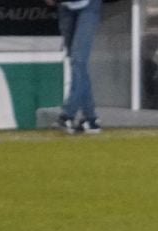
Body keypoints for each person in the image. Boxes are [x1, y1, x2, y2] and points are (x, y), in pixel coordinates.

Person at [48, 0, 104, 134]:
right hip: (65, 6)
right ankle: (91, 119)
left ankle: (68, 114)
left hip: (88, 5)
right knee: (77, 63)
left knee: (78, 60)